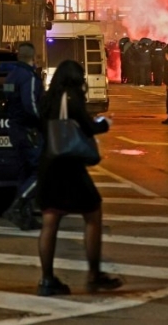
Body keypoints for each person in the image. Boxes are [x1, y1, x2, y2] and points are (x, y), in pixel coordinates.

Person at [36, 60, 122, 296]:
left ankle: (47, 280)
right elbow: (89, 128)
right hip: (69, 166)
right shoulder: (72, 99)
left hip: (48, 165)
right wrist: (106, 124)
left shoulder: (47, 100)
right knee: (93, 214)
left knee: (50, 221)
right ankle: (94, 275)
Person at [3, 41, 44, 231]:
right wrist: (42, 120)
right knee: (40, 171)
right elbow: (31, 105)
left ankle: (25, 217)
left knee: (24, 172)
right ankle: (18, 206)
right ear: (33, 58)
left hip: (15, 128)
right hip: (29, 130)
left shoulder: (11, 76)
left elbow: (9, 101)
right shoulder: (29, 77)